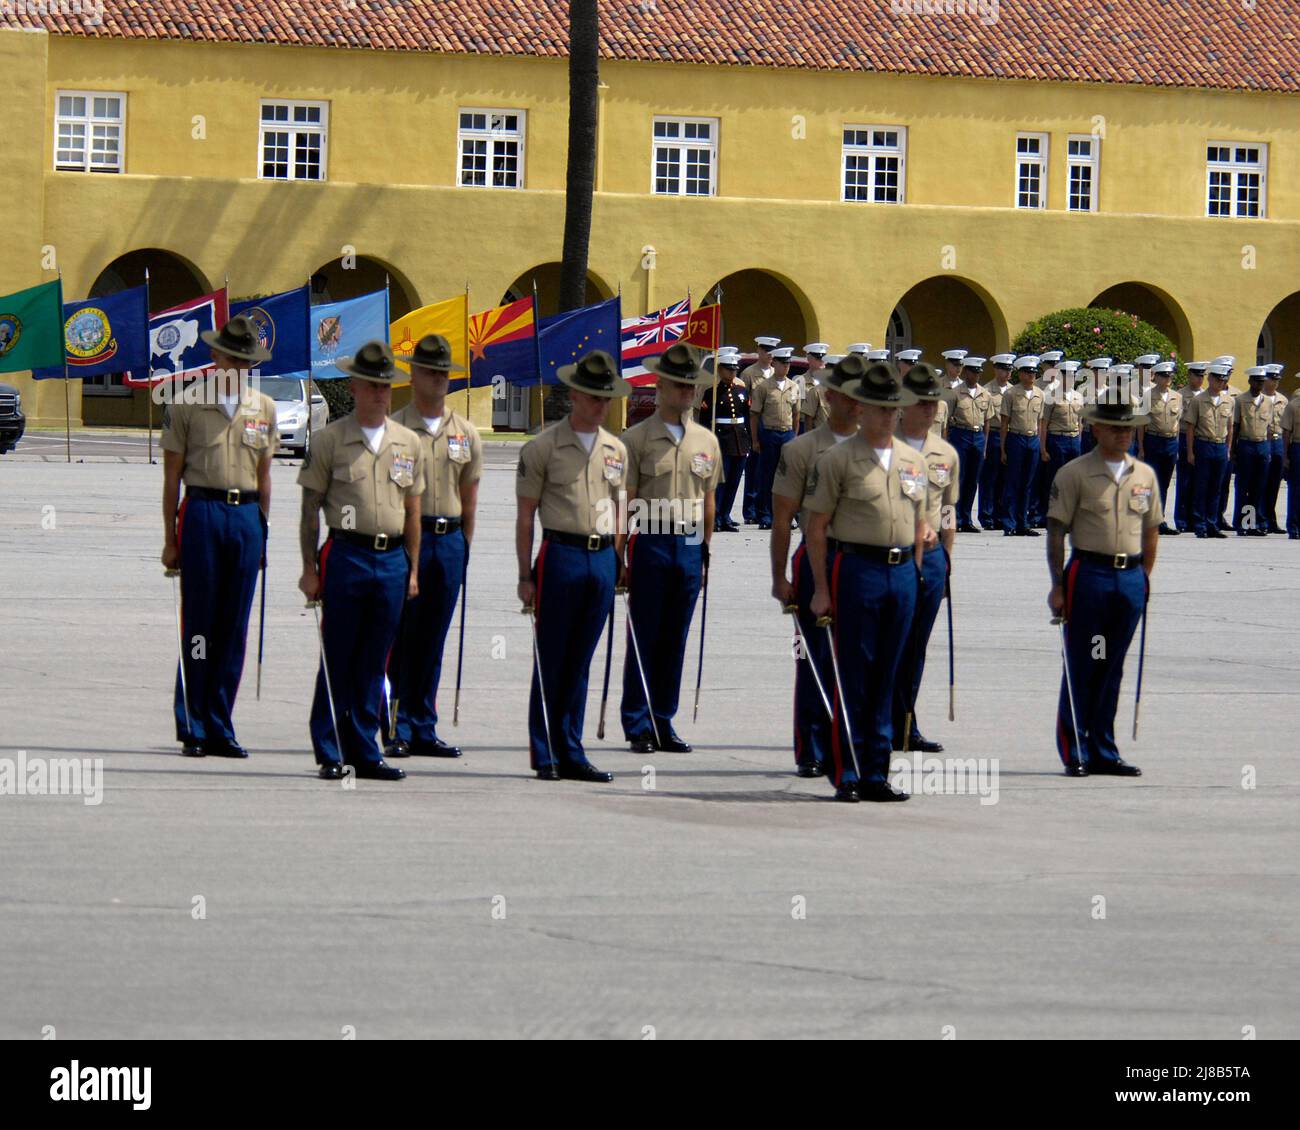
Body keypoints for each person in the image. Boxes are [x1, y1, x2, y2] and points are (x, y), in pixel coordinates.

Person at [804, 361, 930, 803]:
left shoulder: (914, 461)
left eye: (893, 410)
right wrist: (820, 588)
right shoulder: (838, 459)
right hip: (856, 569)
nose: (887, 417)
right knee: (854, 674)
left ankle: (877, 771)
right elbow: (816, 527)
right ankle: (848, 771)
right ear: (864, 409)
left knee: (886, 674)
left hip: (900, 573)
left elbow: (919, 520)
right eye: (878, 409)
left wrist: (915, 568)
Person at [297, 340, 424, 781]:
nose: (379, 394)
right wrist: (309, 569)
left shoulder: (407, 443)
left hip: (390, 560)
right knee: (339, 655)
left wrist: (413, 569)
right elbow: (310, 507)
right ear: (354, 386)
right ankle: (330, 749)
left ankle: (366, 750)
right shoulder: (331, 439)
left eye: (386, 386)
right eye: (371, 385)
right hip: (346, 554)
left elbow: (412, 511)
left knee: (375, 659)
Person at [160, 315, 278, 758]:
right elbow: (172, 477)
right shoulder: (189, 404)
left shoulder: (262, 408)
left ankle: (221, 723)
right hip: (203, 510)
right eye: (234, 357)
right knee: (200, 624)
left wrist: (263, 531)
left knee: (233, 625)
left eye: (247, 359)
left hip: (245, 514)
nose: (240, 366)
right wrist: (170, 537)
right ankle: (193, 723)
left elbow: (266, 476)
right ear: (215, 356)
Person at [515, 350, 630, 782]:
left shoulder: (616, 449)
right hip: (560, 554)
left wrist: (619, 558)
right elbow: (526, 514)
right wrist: (525, 574)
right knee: (553, 656)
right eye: (595, 397)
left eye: (607, 398)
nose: (601, 405)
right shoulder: (543, 446)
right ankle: (545, 751)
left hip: (601, 559)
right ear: (576, 395)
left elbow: (621, 509)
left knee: (581, 657)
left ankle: (572, 748)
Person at [1046, 398, 1161, 778]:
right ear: (1096, 429)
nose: (1123, 434)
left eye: (1128, 428)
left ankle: (1104, 749)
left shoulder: (1143, 474)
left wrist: (1144, 576)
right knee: (1085, 663)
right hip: (1089, 575)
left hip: (1127, 579)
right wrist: (1058, 585)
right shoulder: (1075, 473)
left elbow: (1150, 529)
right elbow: (1056, 532)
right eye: (1115, 428)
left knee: (1112, 667)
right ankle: (1075, 749)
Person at [620, 343, 721, 754]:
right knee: (645, 633)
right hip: (651, 539)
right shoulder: (636, 438)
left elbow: (709, 500)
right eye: (679, 385)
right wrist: (620, 553)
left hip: (690, 542)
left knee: (676, 635)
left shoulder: (706, 440)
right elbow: (625, 500)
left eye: (691, 386)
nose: (686, 392)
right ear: (660, 385)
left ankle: (664, 719)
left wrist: (705, 550)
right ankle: (638, 721)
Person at [385, 333, 482, 759]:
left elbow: (470, 495)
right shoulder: (396, 429)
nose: (438, 379)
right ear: (413, 374)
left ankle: (424, 724)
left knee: (434, 639)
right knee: (402, 638)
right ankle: (395, 724)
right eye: (430, 371)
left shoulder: (465, 433)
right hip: (409, 541)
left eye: (444, 372)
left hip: (449, 540)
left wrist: (464, 545)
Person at [769, 356, 863, 778]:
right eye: (848, 394)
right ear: (829, 396)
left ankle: (853, 744)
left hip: (866, 561)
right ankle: (811, 746)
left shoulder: (883, 450)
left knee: (862, 659)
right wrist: (779, 577)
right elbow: (783, 519)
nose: (857, 403)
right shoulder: (802, 449)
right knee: (813, 657)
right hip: (817, 558)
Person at [892, 363, 958, 755]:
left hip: (932, 558)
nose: (930, 410)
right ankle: (878, 720)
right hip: (892, 555)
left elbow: (948, 511)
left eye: (934, 402)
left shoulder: (945, 453)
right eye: (922, 403)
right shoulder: (887, 446)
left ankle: (905, 722)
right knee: (888, 643)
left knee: (916, 645)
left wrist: (947, 560)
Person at [696, 347, 749, 531]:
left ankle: (725, 515)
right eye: (728, 369)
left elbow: (747, 417)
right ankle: (715, 516)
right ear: (720, 370)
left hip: (739, 440)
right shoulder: (712, 393)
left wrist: (748, 439)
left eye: (735, 369)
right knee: (720, 482)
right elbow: (704, 420)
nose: (732, 372)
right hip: (721, 440)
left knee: (734, 481)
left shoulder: (742, 391)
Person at [750, 345, 800, 529]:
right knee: (767, 476)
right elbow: (754, 414)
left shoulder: (793, 386)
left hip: (786, 433)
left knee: (787, 478)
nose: (786, 367)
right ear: (775, 363)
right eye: (782, 363)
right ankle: (765, 515)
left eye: (788, 364)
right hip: (769, 432)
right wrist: (755, 440)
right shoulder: (764, 387)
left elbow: (796, 414)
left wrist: (794, 436)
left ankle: (787, 515)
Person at [1184, 363, 1235, 538]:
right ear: (1210, 379)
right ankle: (1200, 524)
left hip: (1220, 445)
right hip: (1203, 444)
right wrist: (1190, 452)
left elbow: (1230, 427)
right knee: (1201, 486)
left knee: (1217, 487)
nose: (1221, 383)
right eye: (1218, 379)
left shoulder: (1229, 401)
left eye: (1223, 380)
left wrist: (1228, 448)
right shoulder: (1198, 400)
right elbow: (1190, 427)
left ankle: (1212, 523)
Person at [999, 355, 1046, 536]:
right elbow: (1004, 423)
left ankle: (1022, 523)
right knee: (1012, 482)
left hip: (1032, 439)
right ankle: (1008, 523)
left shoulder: (1039, 394)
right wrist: (1003, 448)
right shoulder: (1011, 394)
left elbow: (1041, 423)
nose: (1032, 375)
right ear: (1020, 374)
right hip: (1016, 437)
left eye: (1034, 372)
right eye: (1028, 372)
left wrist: (1041, 446)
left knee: (1028, 484)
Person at [1036, 359, 1085, 531]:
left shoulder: (1078, 396)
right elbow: (1044, 423)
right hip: (1057, 439)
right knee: (1055, 481)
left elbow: (1080, 422)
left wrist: (1079, 441)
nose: (1070, 378)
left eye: (1073, 375)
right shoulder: (1051, 396)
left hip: (1073, 439)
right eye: (1067, 375)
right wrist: (1043, 448)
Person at [1136, 361, 1182, 534]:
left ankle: (1160, 519)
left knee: (1164, 484)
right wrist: (1141, 447)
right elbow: (1141, 424)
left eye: (1170, 375)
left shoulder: (1176, 397)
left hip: (1170, 442)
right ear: (1156, 377)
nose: (1168, 379)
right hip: (1153, 441)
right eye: (1164, 375)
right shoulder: (1148, 396)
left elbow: (1177, 422)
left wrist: (1176, 445)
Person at [946, 355, 989, 532]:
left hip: (977, 436)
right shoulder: (955, 393)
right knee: (959, 478)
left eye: (978, 373)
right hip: (960, 434)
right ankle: (955, 517)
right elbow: (947, 420)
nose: (976, 376)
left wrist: (984, 445)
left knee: (973, 480)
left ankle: (966, 518)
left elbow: (987, 421)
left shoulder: (984, 393)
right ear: (967, 372)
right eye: (973, 372)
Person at [740, 335, 780, 522]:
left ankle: (764, 507)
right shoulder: (749, 374)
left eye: (772, 353)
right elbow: (743, 402)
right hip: (755, 422)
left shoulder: (775, 373)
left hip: (772, 423)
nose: (770, 356)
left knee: (768, 469)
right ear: (760, 352)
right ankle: (750, 510)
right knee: (754, 467)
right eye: (767, 352)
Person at [1232, 367, 1273, 535]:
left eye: (1262, 382)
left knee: (1258, 487)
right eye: (1256, 381)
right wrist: (1233, 450)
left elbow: (1269, 428)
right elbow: (1235, 426)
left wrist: (1268, 449)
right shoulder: (1241, 400)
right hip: (1246, 444)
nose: (1259, 385)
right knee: (1244, 486)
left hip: (1262, 445)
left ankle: (1251, 523)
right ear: (1250, 381)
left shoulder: (1267, 402)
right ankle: (1241, 523)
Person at [978, 354, 1014, 530]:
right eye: (1002, 369)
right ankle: (987, 515)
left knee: (1005, 478)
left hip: (1010, 435)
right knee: (989, 477)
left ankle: (1001, 514)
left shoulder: (1014, 391)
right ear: (995, 369)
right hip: (993, 434)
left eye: (1008, 369)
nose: (1006, 373)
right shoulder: (987, 391)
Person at [1174, 361, 1209, 531]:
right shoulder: (1180, 395)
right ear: (1189, 376)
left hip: (1200, 439)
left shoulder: (1205, 395)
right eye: (1197, 375)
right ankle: (1181, 520)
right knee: (1185, 481)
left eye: (1202, 376)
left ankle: (1196, 518)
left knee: (1199, 482)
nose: (1200, 379)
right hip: (1182, 437)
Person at [1262, 365, 1288, 534]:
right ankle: (1254, 520)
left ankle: (1271, 519)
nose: (1275, 382)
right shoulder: (1259, 398)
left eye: (1277, 379)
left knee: (1274, 484)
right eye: (1272, 379)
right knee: (1259, 483)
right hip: (1263, 441)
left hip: (1278, 442)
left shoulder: (1282, 400)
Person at [1282, 383, 1300, 539]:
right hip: (1298, 447)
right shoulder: (1293, 406)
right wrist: (1285, 456)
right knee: (1296, 490)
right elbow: (1286, 433)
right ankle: (1293, 527)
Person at [799, 343, 830, 430]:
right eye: (818, 358)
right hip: (805, 425)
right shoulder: (800, 381)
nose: (821, 361)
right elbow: (795, 409)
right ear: (809, 358)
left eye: (823, 358)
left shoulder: (831, 383)